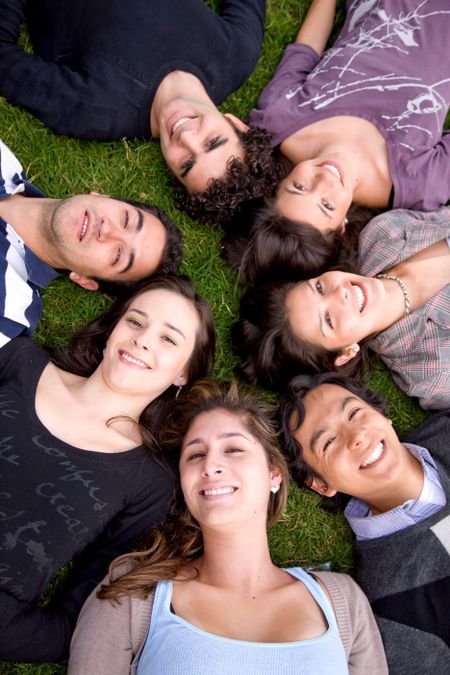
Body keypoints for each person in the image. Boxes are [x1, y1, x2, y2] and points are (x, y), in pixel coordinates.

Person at [68, 379, 387, 675]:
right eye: (195, 455)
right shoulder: (134, 592)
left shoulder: (342, 600)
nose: (211, 466)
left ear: (273, 474)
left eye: (234, 449)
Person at [0, 274, 216, 662]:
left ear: (183, 373)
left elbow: (80, 617)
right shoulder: (20, 360)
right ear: (114, 328)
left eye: (169, 339)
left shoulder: (149, 481)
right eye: (136, 321)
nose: (143, 339)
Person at [183, 0, 450, 258]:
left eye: (299, 186)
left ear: (280, 183)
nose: (324, 181)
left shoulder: (280, 122)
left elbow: (305, 51)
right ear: (342, 227)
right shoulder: (418, 184)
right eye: (327, 205)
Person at [278, 371, 450, 674]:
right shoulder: (391, 607)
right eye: (329, 441)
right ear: (320, 483)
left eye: (355, 413)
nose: (355, 436)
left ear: (384, 417)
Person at [0, 0, 266, 195]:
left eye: (187, 164)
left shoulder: (96, 109)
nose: (186, 137)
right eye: (212, 141)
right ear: (237, 125)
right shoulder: (235, 54)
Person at [233, 205, 450, 409]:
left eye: (318, 287)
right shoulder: (433, 373)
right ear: (346, 354)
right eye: (328, 320)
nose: (340, 293)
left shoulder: (382, 233)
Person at [0, 138, 182, 348]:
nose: (107, 230)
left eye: (117, 255)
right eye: (126, 220)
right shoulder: (6, 162)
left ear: (85, 280)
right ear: (103, 196)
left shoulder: (9, 309)